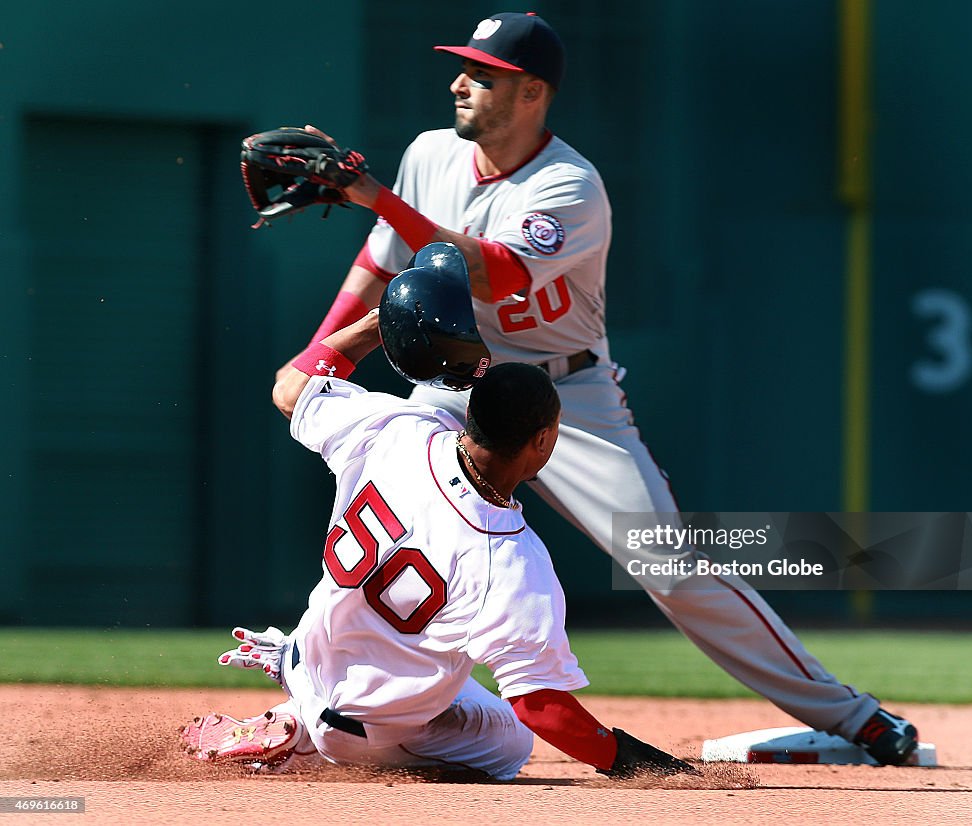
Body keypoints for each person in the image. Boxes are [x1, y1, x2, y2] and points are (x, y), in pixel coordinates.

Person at [273, 12, 918, 765]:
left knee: (671, 565)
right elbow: (378, 270)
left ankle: (855, 716)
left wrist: (374, 196)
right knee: (388, 521)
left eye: (484, 76)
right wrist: (316, 355)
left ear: (532, 93)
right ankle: (309, 702)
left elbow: (497, 272)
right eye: (463, 69)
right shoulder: (428, 155)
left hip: (566, 402)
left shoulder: (569, 184)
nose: (459, 83)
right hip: (457, 381)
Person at [181, 245, 697, 780]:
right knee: (511, 741)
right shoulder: (509, 557)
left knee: (444, 665)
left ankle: (297, 689)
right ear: (542, 441)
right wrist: (641, 764)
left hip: (313, 653)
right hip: (359, 723)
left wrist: (379, 323)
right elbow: (541, 706)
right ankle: (307, 740)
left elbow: (291, 389)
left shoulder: (400, 428)